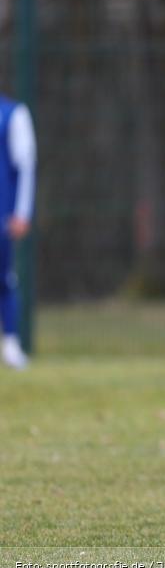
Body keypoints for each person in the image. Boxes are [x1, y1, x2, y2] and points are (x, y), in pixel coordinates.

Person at [0, 94, 36, 371]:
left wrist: (22, 212)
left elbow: (25, 164)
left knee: (5, 277)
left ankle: (11, 343)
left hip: (3, 213)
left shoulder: (12, 114)